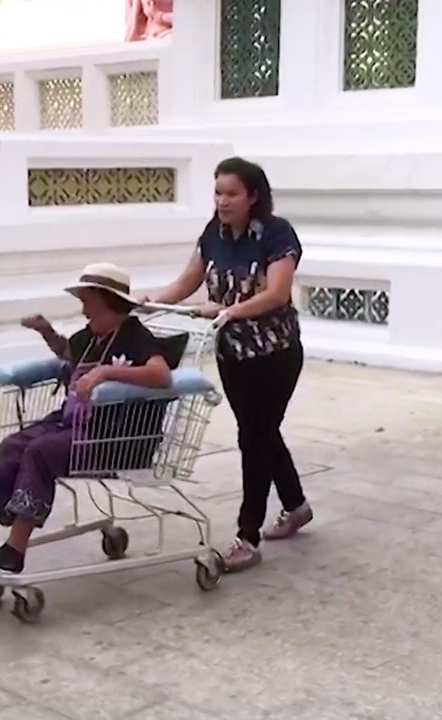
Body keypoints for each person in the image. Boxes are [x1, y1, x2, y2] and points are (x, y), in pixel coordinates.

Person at [146, 156, 310, 572]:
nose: (222, 201)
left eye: (232, 193)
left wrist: (230, 310)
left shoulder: (276, 234)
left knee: (254, 437)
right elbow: (187, 282)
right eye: (218, 193)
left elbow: (276, 294)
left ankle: (247, 536)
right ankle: (296, 505)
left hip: (275, 353)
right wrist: (145, 304)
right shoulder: (213, 235)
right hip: (232, 354)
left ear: (254, 196)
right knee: (259, 432)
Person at [0, 262, 172, 573]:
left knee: (41, 453)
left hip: (114, 435)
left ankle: (14, 550)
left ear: (106, 300)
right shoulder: (90, 337)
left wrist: (106, 371)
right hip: (72, 423)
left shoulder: (134, 335)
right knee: (15, 445)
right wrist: (46, 331)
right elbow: (67, 352)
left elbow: (160, 374)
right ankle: (11, 510)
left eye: (86, 302)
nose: (83, 311)